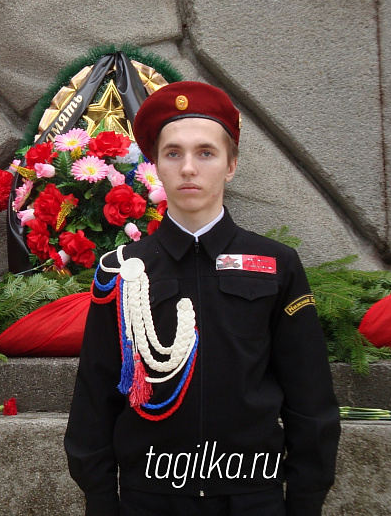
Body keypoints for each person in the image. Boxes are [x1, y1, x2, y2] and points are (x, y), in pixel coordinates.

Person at [64, 81, 340, 516]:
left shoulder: (277, 264)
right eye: (173, 153)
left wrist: (304, 502)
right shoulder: (121, 271)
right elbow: (95, 397)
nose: (188, 168)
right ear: (155, 164)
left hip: (252, 499)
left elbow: (310, 398)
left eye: (205, 153)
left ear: (230, 165)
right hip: (150, 499)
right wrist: (101, 500)